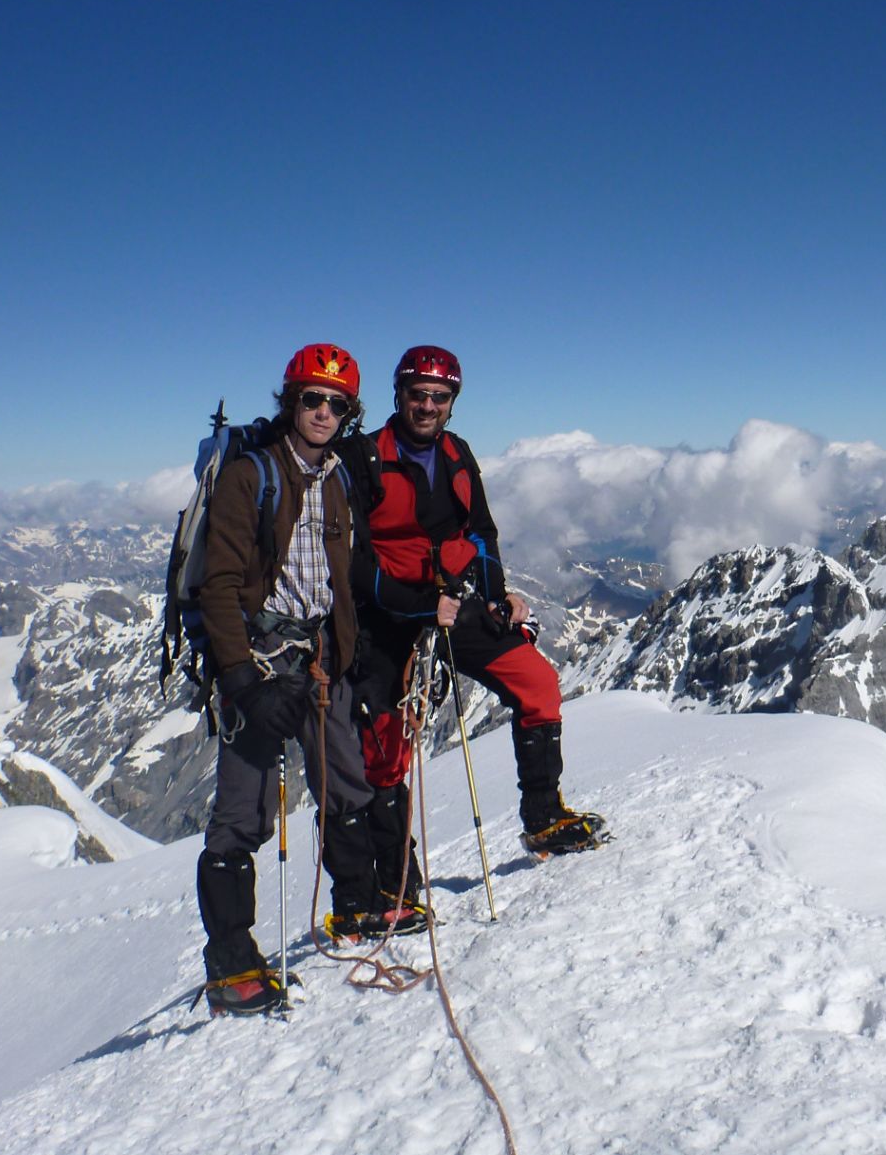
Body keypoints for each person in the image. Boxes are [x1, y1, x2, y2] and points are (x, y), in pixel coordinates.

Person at [345, 344, 606, 897]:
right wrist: (415, 606)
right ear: (399, 396)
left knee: (538, 684)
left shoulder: (458, 455)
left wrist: (496, 598)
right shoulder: (363, 459)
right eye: (418, 394)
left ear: (451, 403)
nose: (427, 405)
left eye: (439, 397)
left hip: (453, 606)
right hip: (387, 619)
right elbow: (352, 561)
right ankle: (394, 882)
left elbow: (481, 534)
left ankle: (543, 816)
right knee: (386, 748)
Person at [193, 343, 390, 1017]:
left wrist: (350, 652)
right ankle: (232, 964)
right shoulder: (252, 476)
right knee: (240, 814)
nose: (324, 411)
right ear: (291, 401)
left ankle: (357, 907)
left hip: (318, 659)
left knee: (348, 783)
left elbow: (336, 580)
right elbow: (218, 585)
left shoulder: (334, 477)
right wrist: (244, 681)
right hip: (259, 658)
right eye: (313, 398)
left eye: (337, 403)